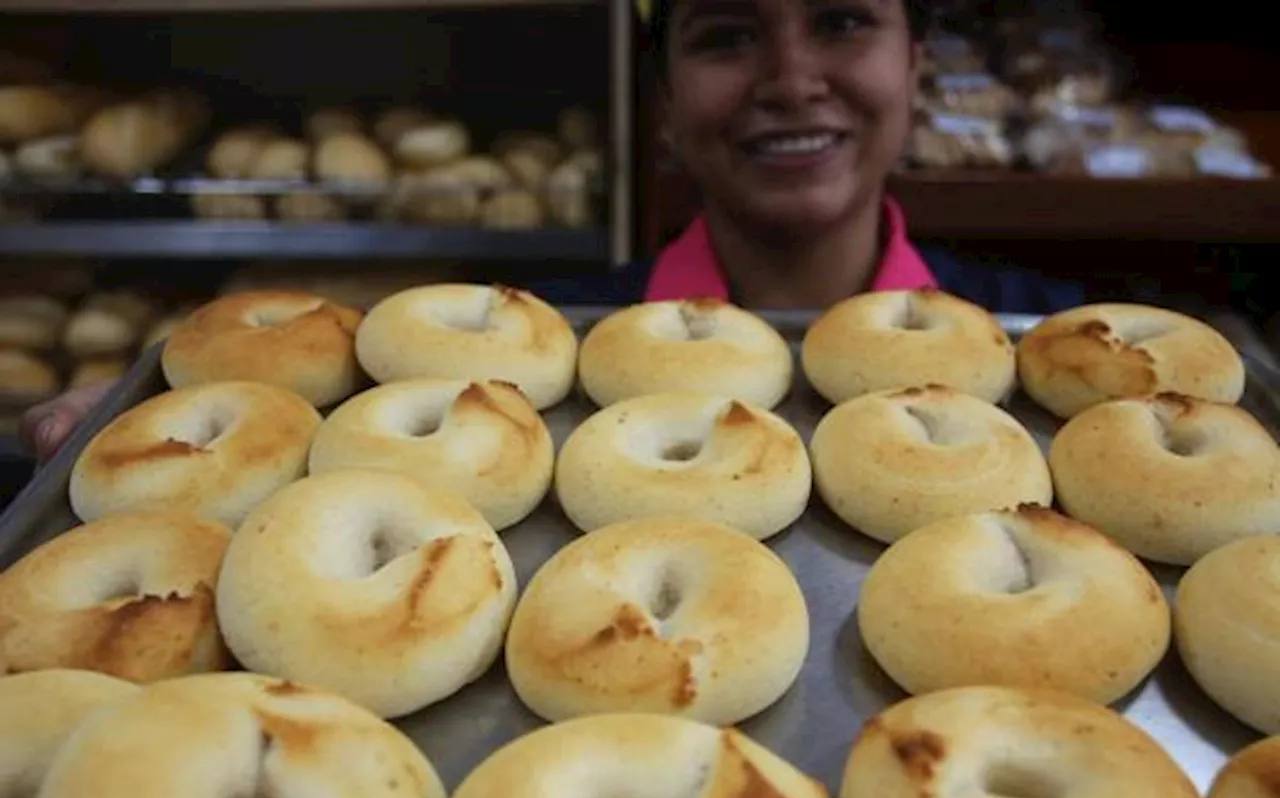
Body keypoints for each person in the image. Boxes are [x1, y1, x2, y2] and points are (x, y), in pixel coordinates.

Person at [11, 0, 1084, 482]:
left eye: (842, 20)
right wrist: (148, 408)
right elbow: (307, 400)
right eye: (725, 36)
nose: (791, 76)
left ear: (916, 69)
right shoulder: (532, 346)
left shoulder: (1036, 344)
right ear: (660, 104)